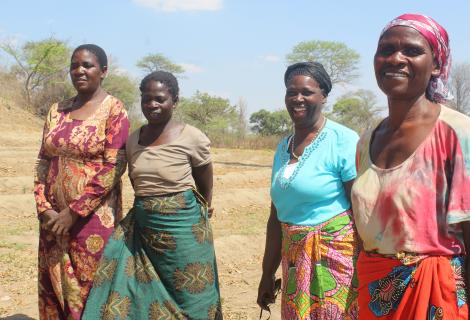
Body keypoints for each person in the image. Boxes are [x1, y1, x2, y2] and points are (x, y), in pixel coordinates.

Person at [352, 13, 470, 319]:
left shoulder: (456, 133)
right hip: (374, 294)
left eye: (412, 51)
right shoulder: (366, 141)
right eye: (386, 50)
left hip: (435, 298)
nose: (396, 59)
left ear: (436, 65)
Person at [82, 71, 222, 319]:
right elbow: (137, 181)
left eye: (160, 99)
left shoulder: (192, 137)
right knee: (132, 288)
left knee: (192, 295)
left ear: (175, 101)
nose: (152, 105)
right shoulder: (134, 139)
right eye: (147, 99)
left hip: (184, 230)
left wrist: (205, 207)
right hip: (145, 229)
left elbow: (204, 179)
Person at [33, 44, 130, 319]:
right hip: (52, 222)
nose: (80, 71)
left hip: (92, 222)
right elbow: (42, 162)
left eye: (87, 65)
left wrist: (73, 213)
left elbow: (114, 166)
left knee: (90, 289)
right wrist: (44, 208)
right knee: (54, 288)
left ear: (103, 71)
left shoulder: (114, 110)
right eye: (74, 66)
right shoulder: (56, 110)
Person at [257, 62, 360, 319]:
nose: (297, 99)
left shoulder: (343, 140)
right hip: (293, 264)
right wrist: (267, 274)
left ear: (323, 96)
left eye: (306, 92)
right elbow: (276, 216)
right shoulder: (283, 148)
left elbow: (360, 208)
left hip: (336, 262)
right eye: (291, 92)